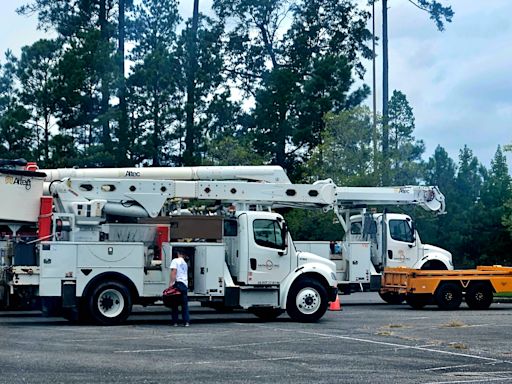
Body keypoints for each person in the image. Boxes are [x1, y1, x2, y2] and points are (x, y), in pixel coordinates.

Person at [169, 248, 190, 327]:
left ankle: (175, 322)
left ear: (178, 253)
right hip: (184, 284)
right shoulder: (185, 263)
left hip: (177, 284)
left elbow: (174, 272)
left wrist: (171, 283)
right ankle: (186, 322)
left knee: (175, 304)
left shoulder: (175, 260)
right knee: (184, 304)